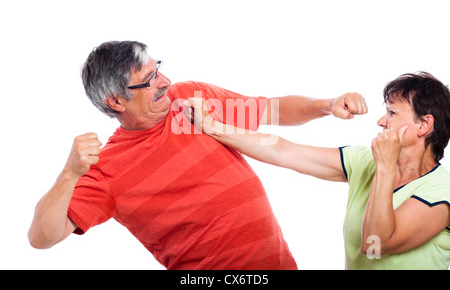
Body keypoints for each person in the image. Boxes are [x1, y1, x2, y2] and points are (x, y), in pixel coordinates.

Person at [27, 41, 368, 270]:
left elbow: (272, 110)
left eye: (157, 69)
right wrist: (69, 176)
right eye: (149, 80)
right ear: (115, 101)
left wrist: (326, 105)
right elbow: (41, 238)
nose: (165, 81)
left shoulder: (190, 98)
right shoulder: (107, 170)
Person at [184, 71, 450, 269]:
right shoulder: (365, 161)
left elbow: (375, 245)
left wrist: (384, 167)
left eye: (392, 113)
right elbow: (282, 150)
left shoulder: (442, 190)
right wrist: (213, 127)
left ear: (424, 125)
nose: (381, 122)